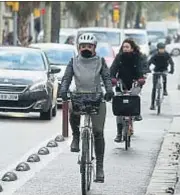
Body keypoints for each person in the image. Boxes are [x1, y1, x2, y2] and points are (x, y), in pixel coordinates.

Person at [60, 33, 114, 183]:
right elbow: (66, 78)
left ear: (94, 48)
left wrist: (109, 91)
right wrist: (63, 90)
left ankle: (100, 168)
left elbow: (107, 78)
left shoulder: (100, 61)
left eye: (89, 46)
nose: (85, 49)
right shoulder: (73, 62)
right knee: (72, 109)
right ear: (78, 47)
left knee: (98, 132)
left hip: (97, 98)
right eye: (82, 46)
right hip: (79, 96)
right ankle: (76, 136)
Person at [110, 39, 145, 142]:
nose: (125, 49)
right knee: (119, 108)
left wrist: (141, 79)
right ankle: (119, 133)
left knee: (134, 98)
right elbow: (113, 69)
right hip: (121, 82)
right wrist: (113, 78)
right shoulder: (119, 57)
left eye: (127, 47)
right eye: (124, 47)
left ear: (132, 48)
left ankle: (136, 113)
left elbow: (140, 69)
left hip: (134, 82)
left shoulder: (137, 57)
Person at [147, 42, 174, 110]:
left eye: (163, 49)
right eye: (160, 49)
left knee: (164, 78)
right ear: (158, 49)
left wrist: (172, 70)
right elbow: (149, 62)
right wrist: (148, 69)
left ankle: (164, 90)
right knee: (154, 87)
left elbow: (171, 63)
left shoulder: (167, 54)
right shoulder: (155, 55)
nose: (161, 50)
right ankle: (152, 104)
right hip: (157, 70)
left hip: (164, 69)